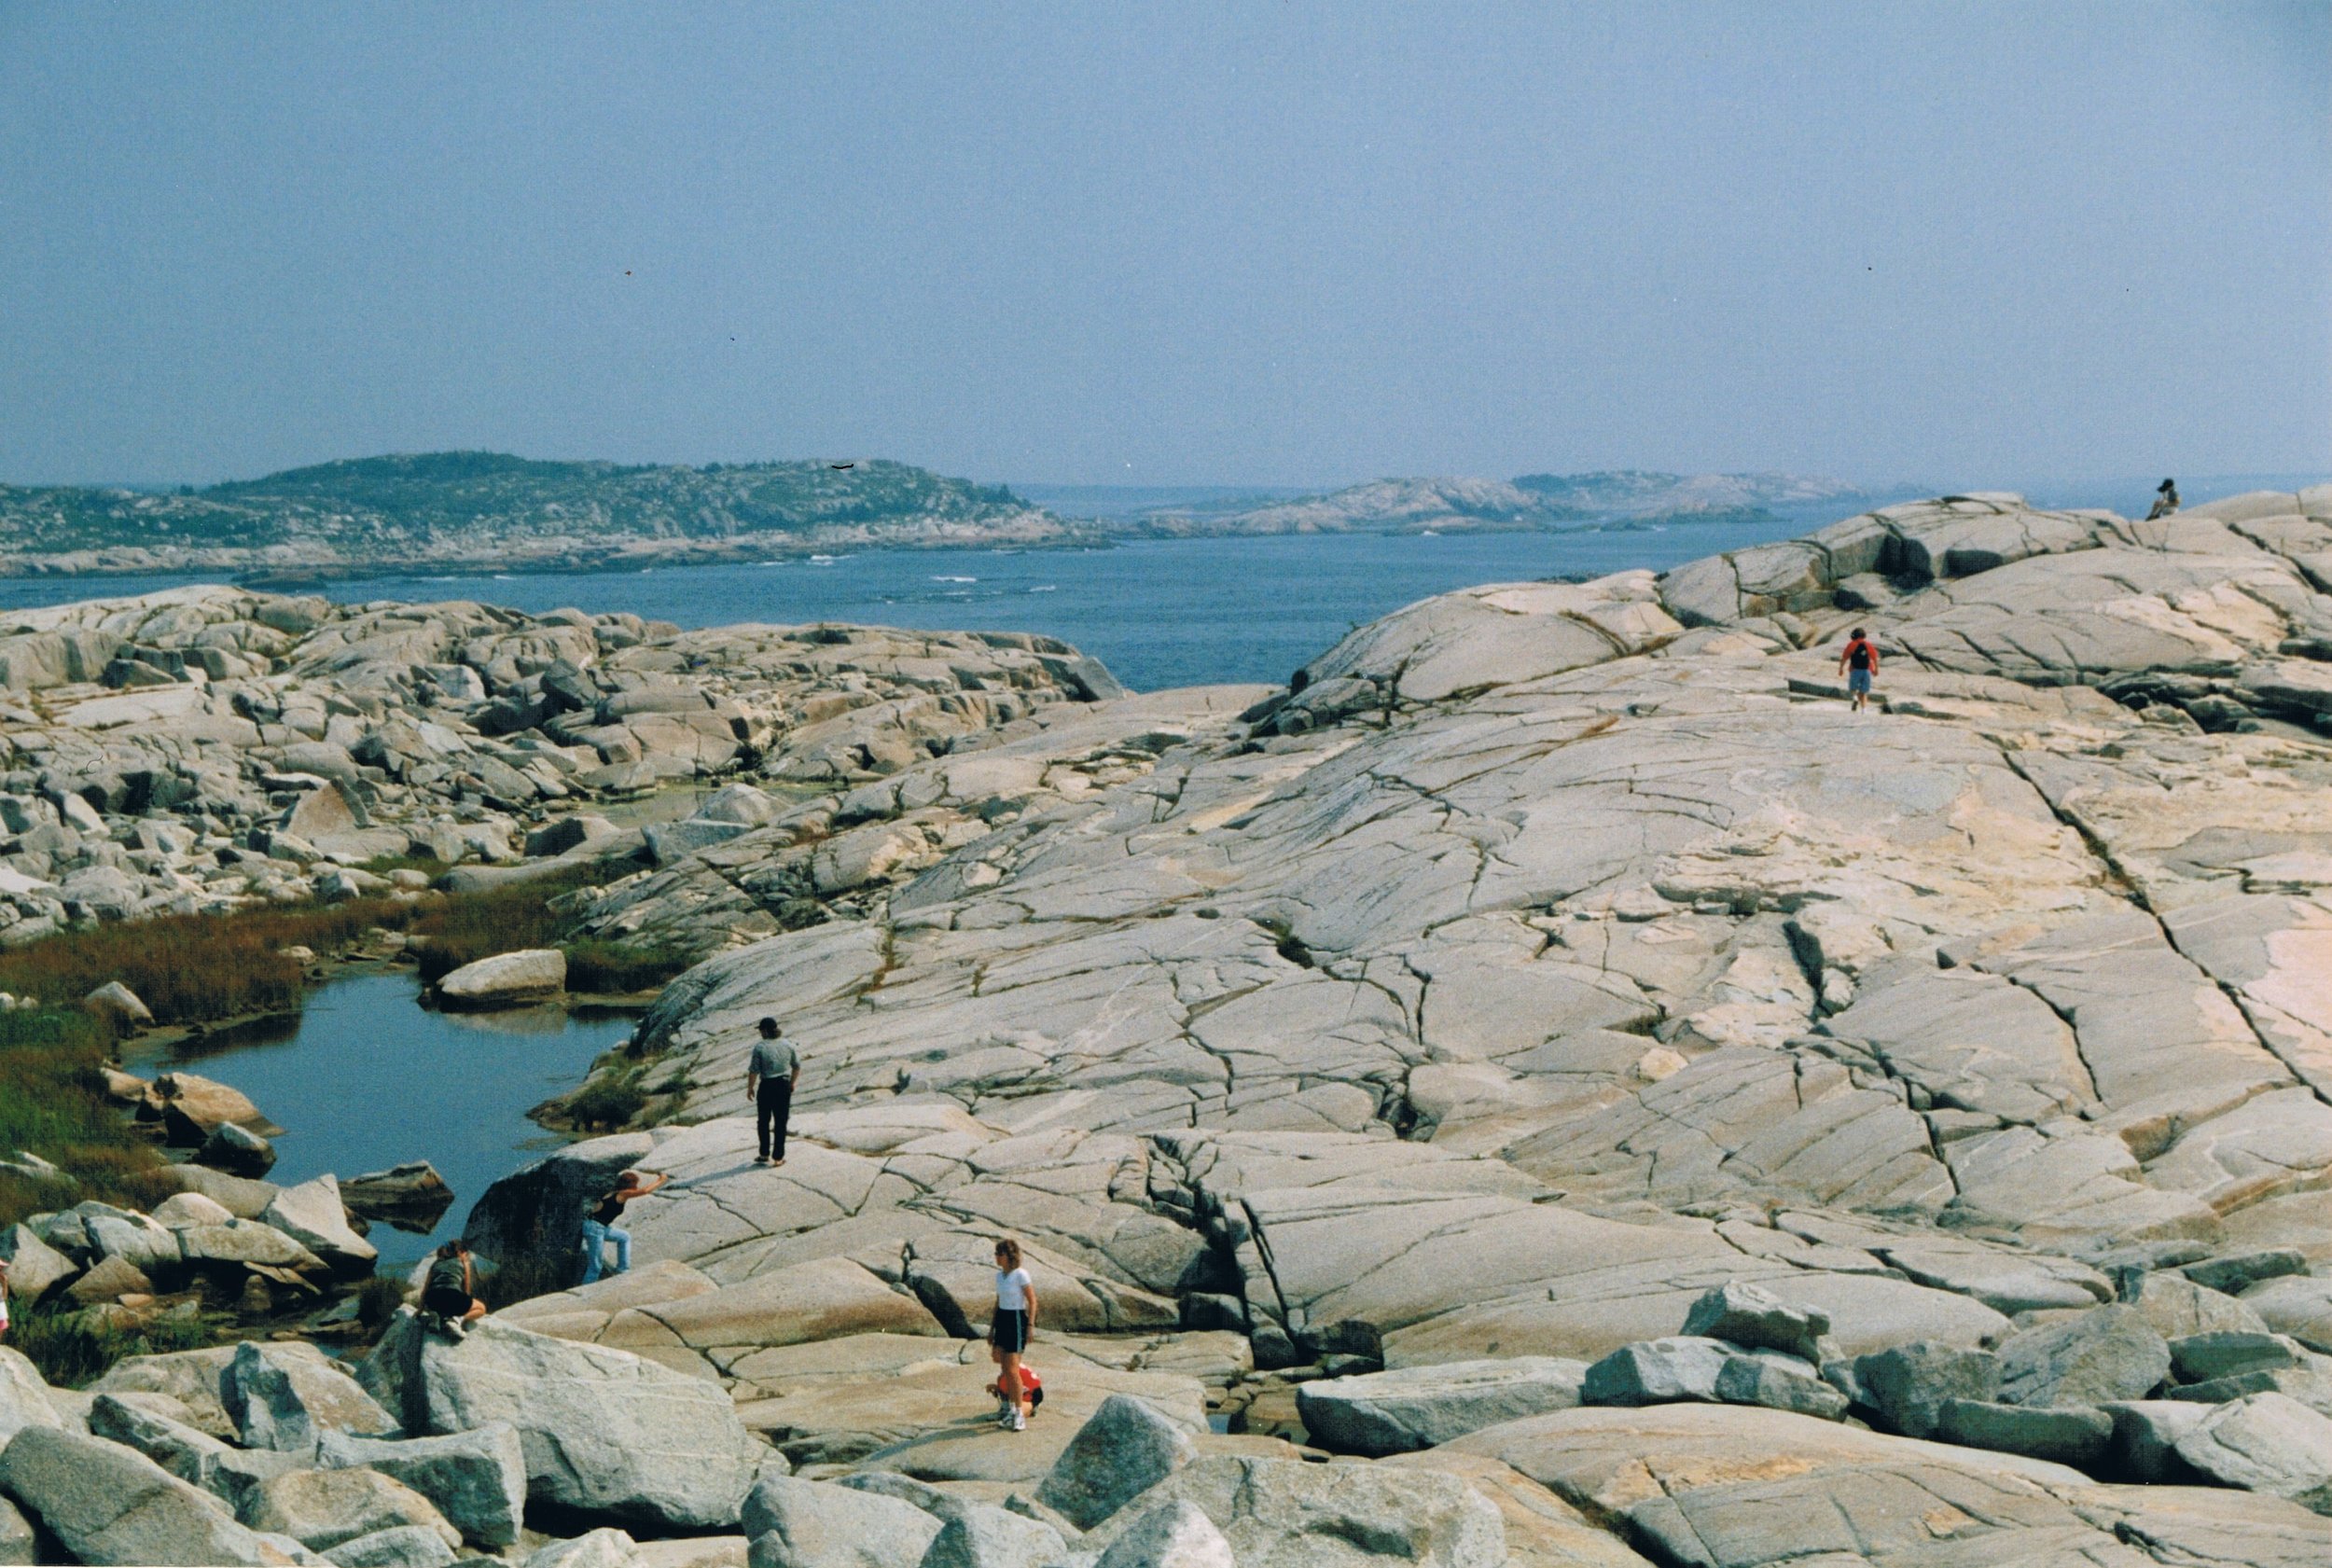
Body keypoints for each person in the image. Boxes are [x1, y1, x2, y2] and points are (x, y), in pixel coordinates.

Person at [581, 1168, 668, 1284]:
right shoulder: (623, 1194)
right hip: (595, 1228)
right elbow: (645, 1191)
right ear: (630, 1185)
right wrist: (661, 1180)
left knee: (624, 1237)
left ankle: (623, 1269)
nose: (637, 1186)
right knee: (595, 1266)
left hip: (598, 1226)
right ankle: (585, 1292)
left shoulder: (613, 1192)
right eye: (635, 1184)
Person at [990, 1238, 1038, 1432]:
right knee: (1001, 1363)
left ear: (1008, 1256)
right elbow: (998, 1301)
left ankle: (1019, 1414)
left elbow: (1033, 1301)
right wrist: (991, 1329)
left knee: (1012, 1369)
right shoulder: (1000, 1276)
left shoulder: (1021, 1275)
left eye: (998, 1254)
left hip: (1016, 1319)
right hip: (1002, 1318)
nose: (995, 1257)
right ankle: (1010, 1408)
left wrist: (1030, 1326)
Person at [745, 1016, 799, 1168]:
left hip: (766, 1086)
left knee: (763, 1121)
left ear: (765, 1031)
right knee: (781, 1121)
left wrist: (750, 1088)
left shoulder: (760, 1047)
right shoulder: (788, 1044)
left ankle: (764, 1153)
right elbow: (797, 1066)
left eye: (761, 1030)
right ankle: (778, 1158)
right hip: (783, 1085)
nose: (760, 1033)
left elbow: (754, 1070)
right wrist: (793, 1083)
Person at [421, 1238, 486, 1339]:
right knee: (481, 1308)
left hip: (432, 1299)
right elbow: (466, 1286)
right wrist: (465, 1300)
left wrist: (420, 1310)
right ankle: (457, 1319)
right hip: (452, 1296)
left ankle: (435, 1315)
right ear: (460, 1252)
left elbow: (425, 1289)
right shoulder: (462, 1262)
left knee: (439, 1302)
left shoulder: (436, 1263)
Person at [1838, 627, 1880, 714]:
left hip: (1855, 670)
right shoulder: (1868, 645)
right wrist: (1876, 669)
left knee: (1853, 689)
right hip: (1867, 670)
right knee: (1864, 692)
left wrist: (1841, 669)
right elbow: (1875, 658)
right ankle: (1864, 710)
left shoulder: (1852, 644)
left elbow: (1844, 658)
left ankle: (1855, 698)